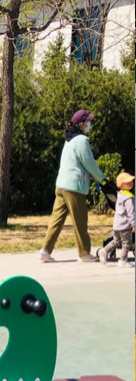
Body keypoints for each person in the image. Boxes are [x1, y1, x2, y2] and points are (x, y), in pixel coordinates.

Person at [39, 109, 109, 263]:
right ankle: (84, 253)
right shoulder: (82, 141)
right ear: (82, 124)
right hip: (74, 187)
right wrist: (103, 179)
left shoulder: (69, 139)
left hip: (61, 185)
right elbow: (89, 163)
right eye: (88, 121)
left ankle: (45, 251)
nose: (89, 124)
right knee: (80, 221)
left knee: (56, 220)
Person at [98, 172, 135, 267]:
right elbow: (131, 213)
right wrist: (134, 224)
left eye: (131, 181)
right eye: (128, 182)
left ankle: (104, 250)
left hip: (117, 225)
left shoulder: (120, 195)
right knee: (126, 243)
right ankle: (123, 260)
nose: (131, 183)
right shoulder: (128, 198)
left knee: (117, 241)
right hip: (125, 226)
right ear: (122, 185)